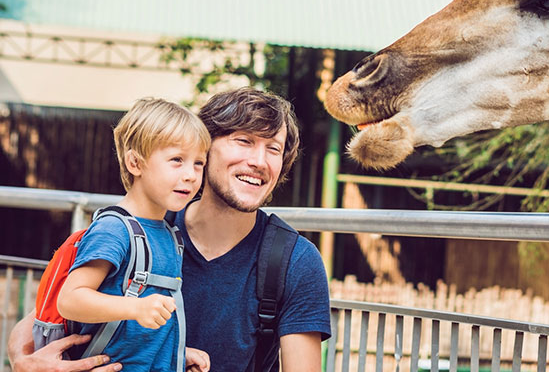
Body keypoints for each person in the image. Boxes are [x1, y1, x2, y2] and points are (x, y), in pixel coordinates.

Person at [8, 88, 332, 372]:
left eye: (273, 149)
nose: (259, 161)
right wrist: (25, 361)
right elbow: (52, 309)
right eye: (243, 141)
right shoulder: (146, 226)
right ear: (205, 146)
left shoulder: (295, 261)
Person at [54, 98, 212, 371]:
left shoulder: (168, 234)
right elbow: (70, 300)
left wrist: (176, 352)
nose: (191, 175)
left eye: (198, 163)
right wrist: (135, 308)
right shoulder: (114, 229)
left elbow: (137, 333)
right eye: (177, 160)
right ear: (135, 163)